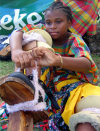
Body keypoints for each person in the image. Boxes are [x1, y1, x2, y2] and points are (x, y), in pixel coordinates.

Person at [10, 1, 100, 131]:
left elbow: (86, 63)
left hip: (74, 87)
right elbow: (17, 32)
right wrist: (17, 50)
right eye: (48, 22)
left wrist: (58, 60)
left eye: (58, 22)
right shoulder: (42, 33)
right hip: (48, 90)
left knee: (90, 114)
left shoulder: (74, 40)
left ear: (69, 23)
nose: (52, 26)